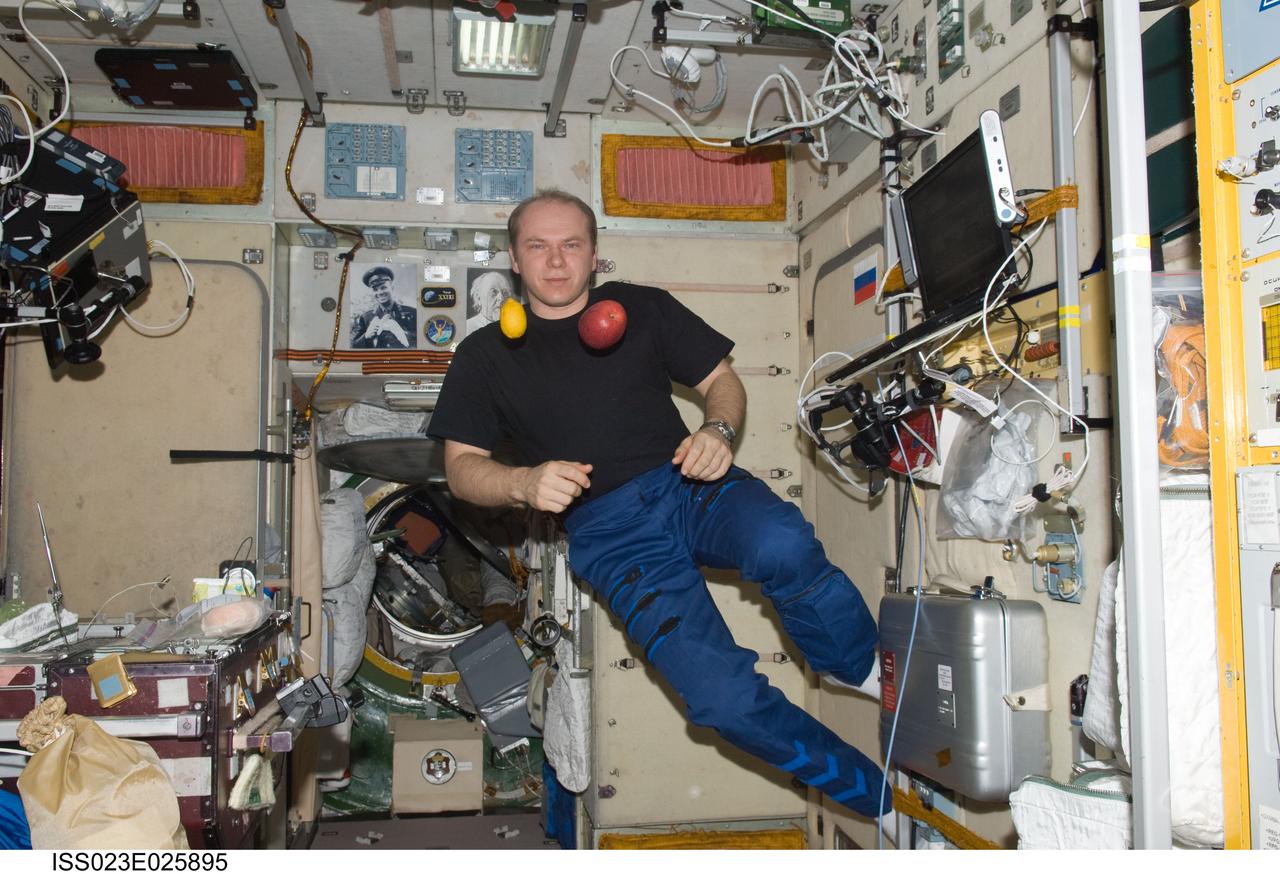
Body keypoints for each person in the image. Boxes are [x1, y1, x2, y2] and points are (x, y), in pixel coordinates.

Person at [426, 189, 889, 818]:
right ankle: (876, 796)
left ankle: (851, 662)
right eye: (538, 247)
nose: (556, 262)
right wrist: (521, 483)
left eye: (572, 246)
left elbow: (721, 382)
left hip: (688, 483)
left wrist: (718, 433)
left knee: (782, 542)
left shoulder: (642, 309)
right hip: (611, 533)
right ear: (514, 258)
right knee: (721, 702)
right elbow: (460, 470)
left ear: (595, 256)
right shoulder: (482, 357)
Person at [351, 266, 417, 349]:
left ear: (392, 288)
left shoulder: (413, 313)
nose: (380, 292)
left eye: (384, 287)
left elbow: (424, 342)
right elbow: (354, 347)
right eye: (375, 290)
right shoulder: (366, 317)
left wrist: (403, 334)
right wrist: (366, 336)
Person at [466, 269, 515, 334]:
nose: (501, 298)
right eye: (494, 292)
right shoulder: (468, 327)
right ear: (478, 298)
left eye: (505, 292)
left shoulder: (513, 325)